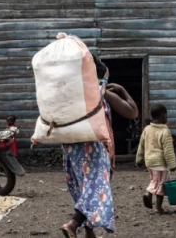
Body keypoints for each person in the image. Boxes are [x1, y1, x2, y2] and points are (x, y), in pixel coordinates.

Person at [60, 56, 138, 238]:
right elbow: (132, 112)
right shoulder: (99, 91)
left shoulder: (71, 93)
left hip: (72, 148)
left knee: (84, 187)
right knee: (97, 187)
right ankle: (73, 223)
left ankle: (89, 233)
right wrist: (121, 90)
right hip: (94, 147)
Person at [136, 104, 176, 214]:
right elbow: (168, 150)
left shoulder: (147, 129)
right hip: (160, 163)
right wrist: (172, 165)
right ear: (164, 116)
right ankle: (157, 206)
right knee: (162, 185)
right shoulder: (165, 131)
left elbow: (141, 145)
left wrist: (139, 159)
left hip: (149, 162)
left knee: (154, 180)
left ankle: (149, 196)